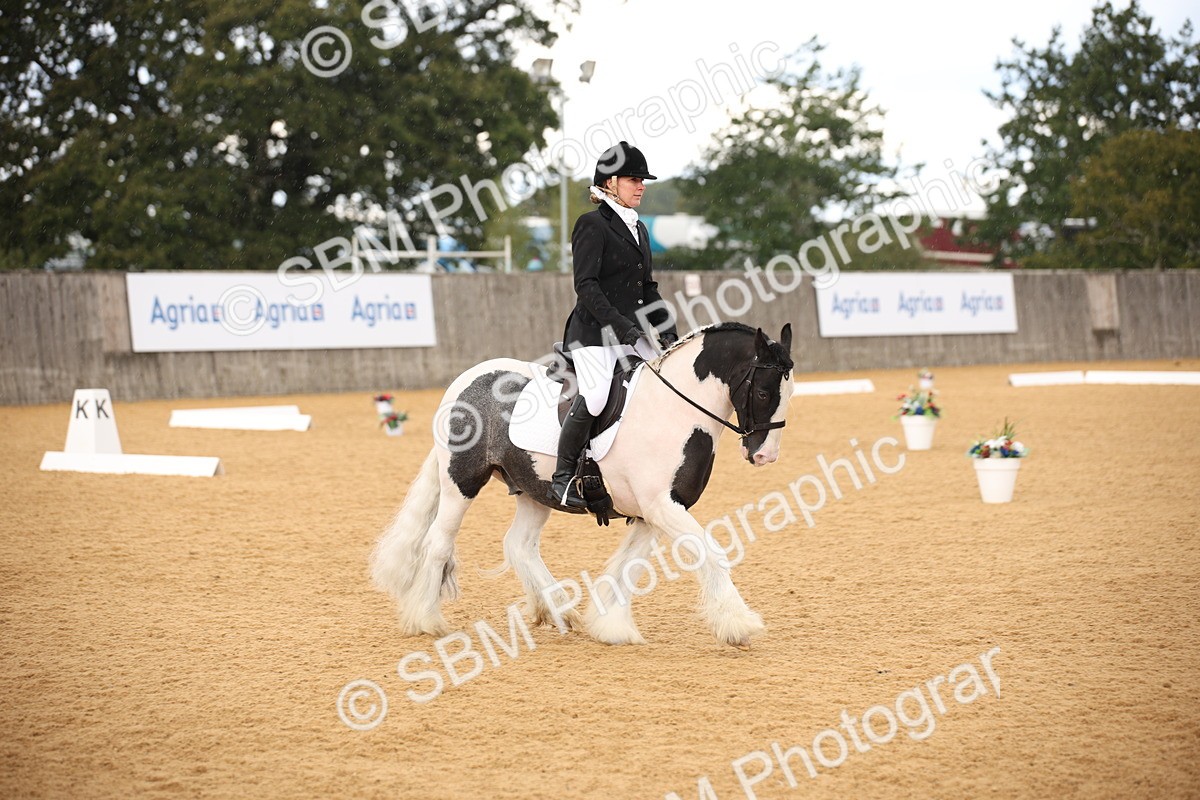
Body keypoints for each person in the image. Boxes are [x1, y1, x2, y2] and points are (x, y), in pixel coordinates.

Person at [548, 141, 679, 509]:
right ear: (609, 183)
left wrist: (667, 329)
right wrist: (623, 327)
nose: (642, 186)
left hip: (631, 334)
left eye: (643, 180)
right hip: (593, 334)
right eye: (634, 179)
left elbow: (648, 288)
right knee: (597, 396)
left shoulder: (639, 229)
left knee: (664, 385)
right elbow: (585, 286)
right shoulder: (592, 225)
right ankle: (562, 479)